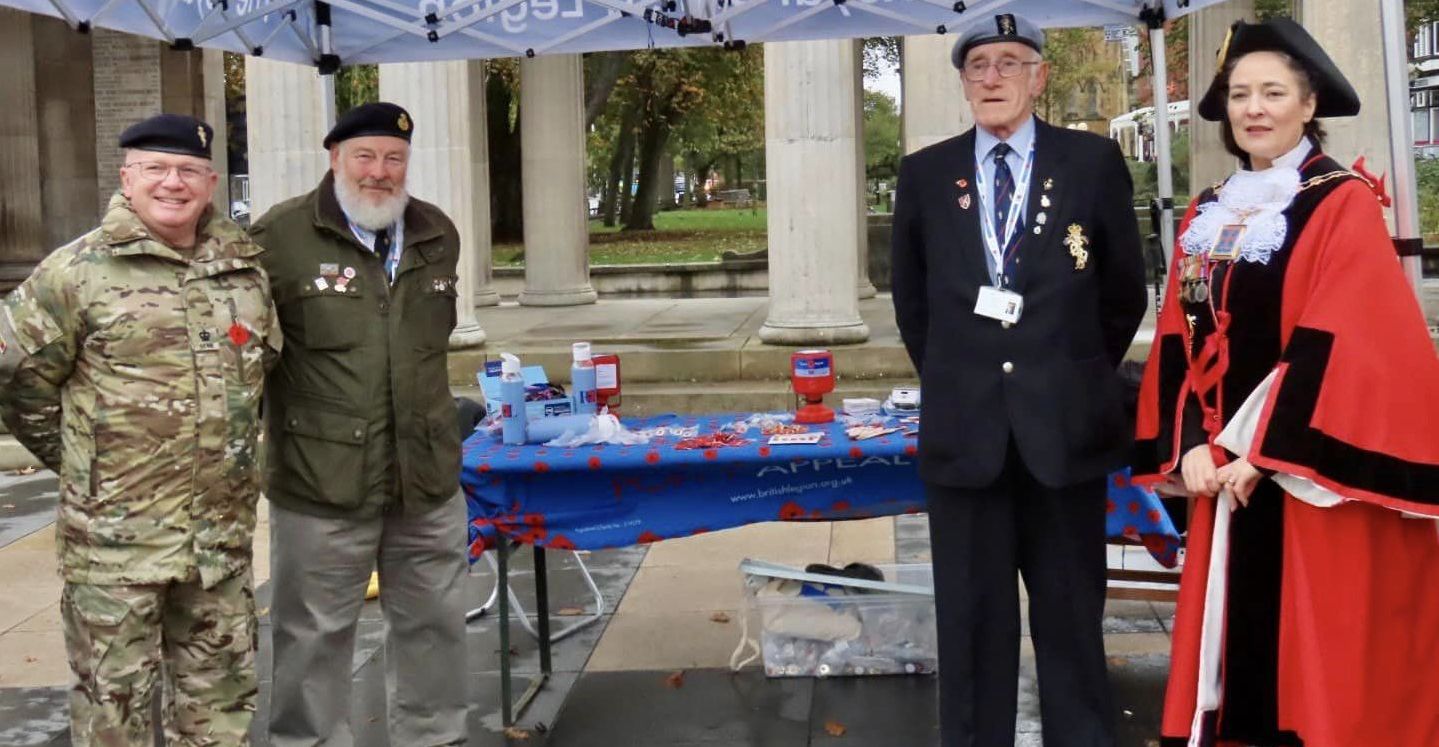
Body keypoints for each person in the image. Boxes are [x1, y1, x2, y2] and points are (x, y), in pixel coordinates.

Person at [1133, 18, 1439, 747]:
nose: (1253, 108)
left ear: (1308, 106)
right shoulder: (1210, 209)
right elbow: (1178, 334)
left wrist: (1257, 453)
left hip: (1298, 476)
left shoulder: (1339, 202)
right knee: (1234, 651)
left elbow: (1337, 341)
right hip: (1224, 469)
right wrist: (1191, 446)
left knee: (1311, 661)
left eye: (1273, 92)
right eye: (1239, 94)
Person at [890, 13, 1147, 747]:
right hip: (965, 433)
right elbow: (911, 300)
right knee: (970, 622)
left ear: (1039, 76)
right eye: (978, 66)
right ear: (964, 83)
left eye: (1009, 62)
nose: (993, 77)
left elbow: (1122, 289)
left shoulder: (1091, 163)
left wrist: (1065, 373)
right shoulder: (927, 172)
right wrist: (961, 375)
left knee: (1069, 616)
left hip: (1063, 432)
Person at [0, 114, 281, 745]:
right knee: (113, 715)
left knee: (220, 708)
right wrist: (85, 462)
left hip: (218, 544)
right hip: (115, 549)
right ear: (127, 178)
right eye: (155, 168)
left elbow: (258, 378)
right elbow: (17, 381)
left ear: (211, 182)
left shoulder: (245, 272)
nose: (172, 183)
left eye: (187, 171)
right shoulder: (74, 272)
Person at [250, 101, 470, 747]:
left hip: (424, 480)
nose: (379, 172)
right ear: (334, 158)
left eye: (393, 158)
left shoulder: (437, 233)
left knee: (436, 628)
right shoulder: (280, 237)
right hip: (320, 484)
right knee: (311, 637)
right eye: (365, 157)